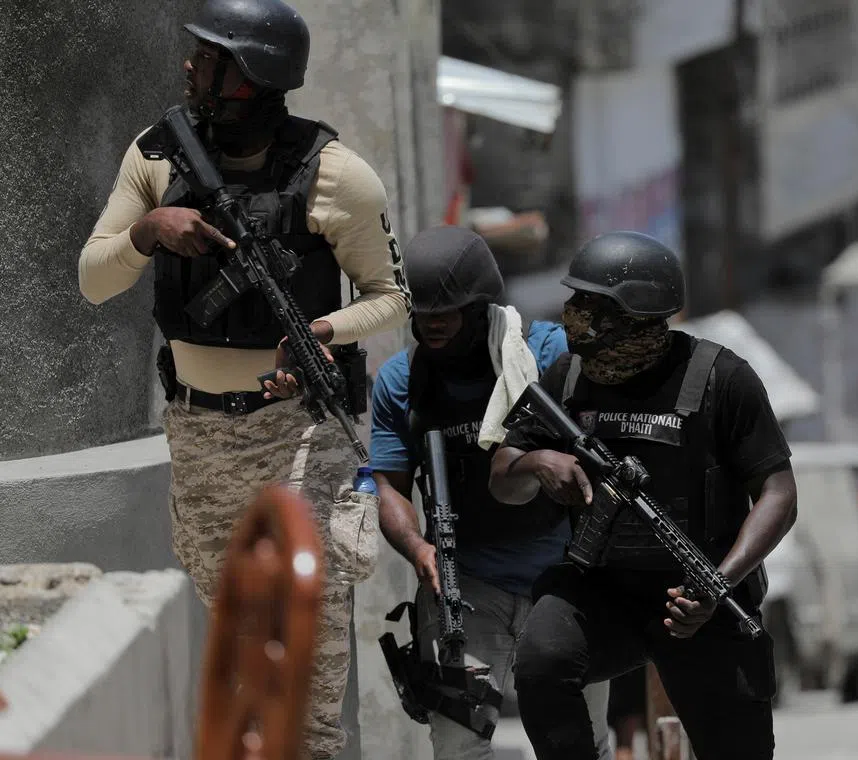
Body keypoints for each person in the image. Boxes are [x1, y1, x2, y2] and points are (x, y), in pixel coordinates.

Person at [77, 1, 410, 756]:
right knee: (237, 658)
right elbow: (94, 279)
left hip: (300, 434)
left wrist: (324, 330)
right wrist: (146, 231)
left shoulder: (337, 175)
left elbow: (392, 297)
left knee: (312, 663)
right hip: (198, 435)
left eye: (210, 56)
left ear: (251, 75)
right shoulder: (156, 157)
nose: (191, 64)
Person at [489, 231, 799, 760]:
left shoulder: (720, 378)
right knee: (542, 660)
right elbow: (502, 477)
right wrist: (539, 462)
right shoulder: (567, 378)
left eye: (588, 302)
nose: (571, 313)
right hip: (604, 589)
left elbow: (778, 493)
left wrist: (718, 585)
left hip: (700, 599)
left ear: (631, 312)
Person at [368, 226, 612, 760]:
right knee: (458, 745)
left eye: (447, 313)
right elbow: (389, 485)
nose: (432, 324)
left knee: (581, 745)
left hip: (564, 578)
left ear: (480, 305)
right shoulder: (400, 382)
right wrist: (419, 549)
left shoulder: (546, 355)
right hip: (468, 586)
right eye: (423, 313)